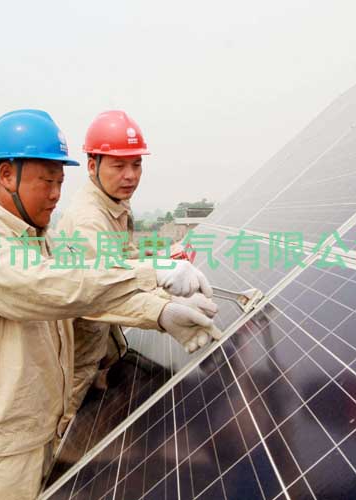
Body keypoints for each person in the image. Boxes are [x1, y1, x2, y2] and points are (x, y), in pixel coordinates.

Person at [0, 109, 217, 500]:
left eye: (60, 182)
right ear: (6, 175)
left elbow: (86, 292)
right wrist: (151, 274)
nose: (55, 194)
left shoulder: (40, 239)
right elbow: (52, 287)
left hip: (40, 432)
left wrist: (159, 312)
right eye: (46, 182)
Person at [58, 110, 219, 425]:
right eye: (119, 166)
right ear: (92, 165)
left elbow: (126, 262)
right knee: (76, 441)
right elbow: (107, 291)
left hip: (101, 356)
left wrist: (165, 271)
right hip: (77, 373)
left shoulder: (113, 205)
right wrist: (165, 309)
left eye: (136, 164)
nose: (130, 175)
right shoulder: (88, 221)